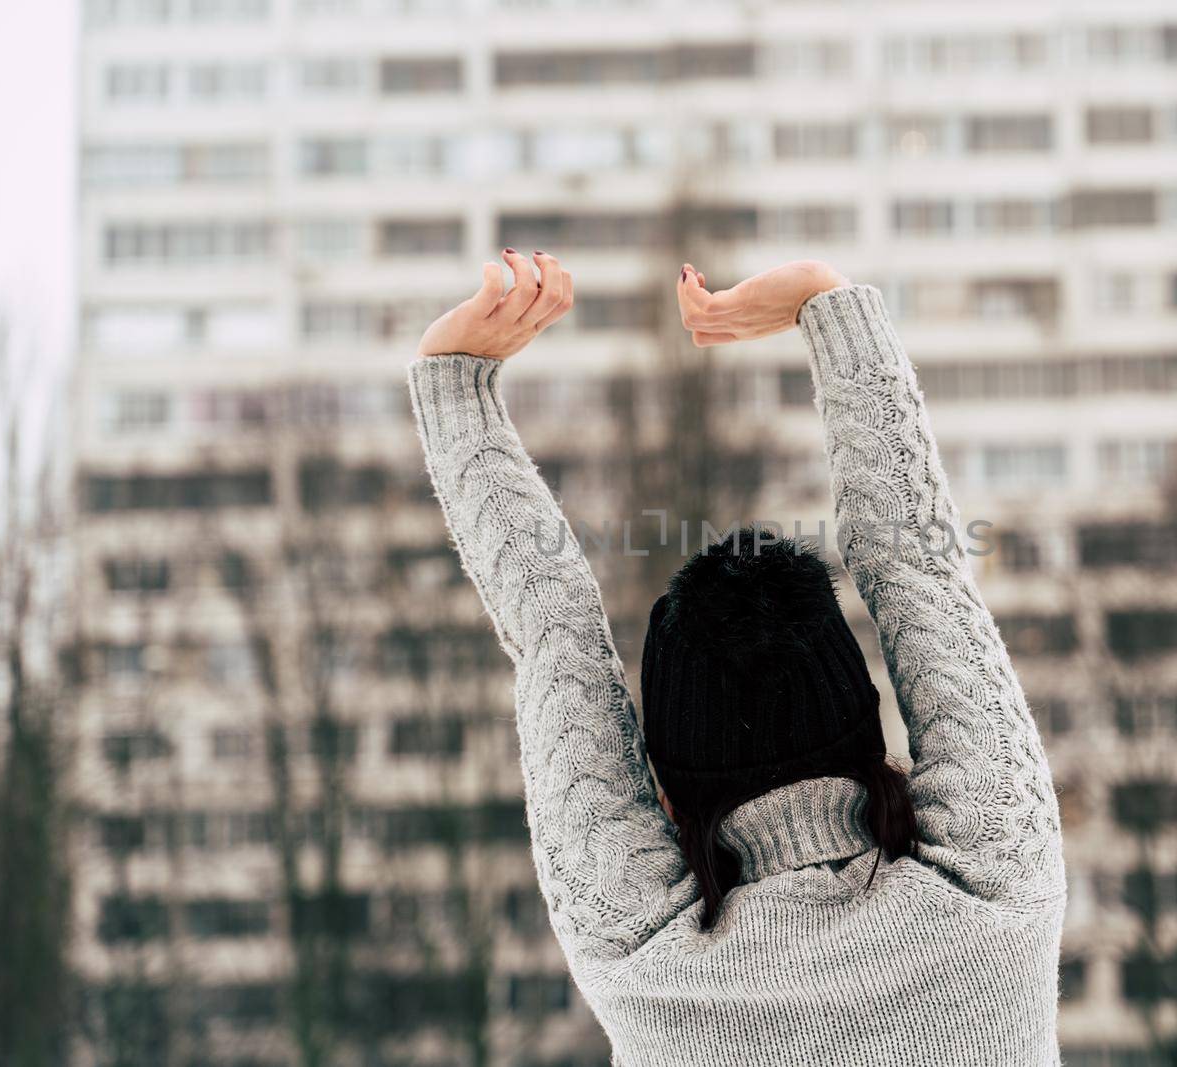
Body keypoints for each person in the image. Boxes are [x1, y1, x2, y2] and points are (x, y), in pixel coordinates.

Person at [408, 250, 1066, 1066]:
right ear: (861, 718)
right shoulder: (992, 886)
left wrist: (454, 383)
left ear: (667, 787)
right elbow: (917, 564)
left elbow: (555, 641)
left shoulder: (648, 960)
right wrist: (827, 304)